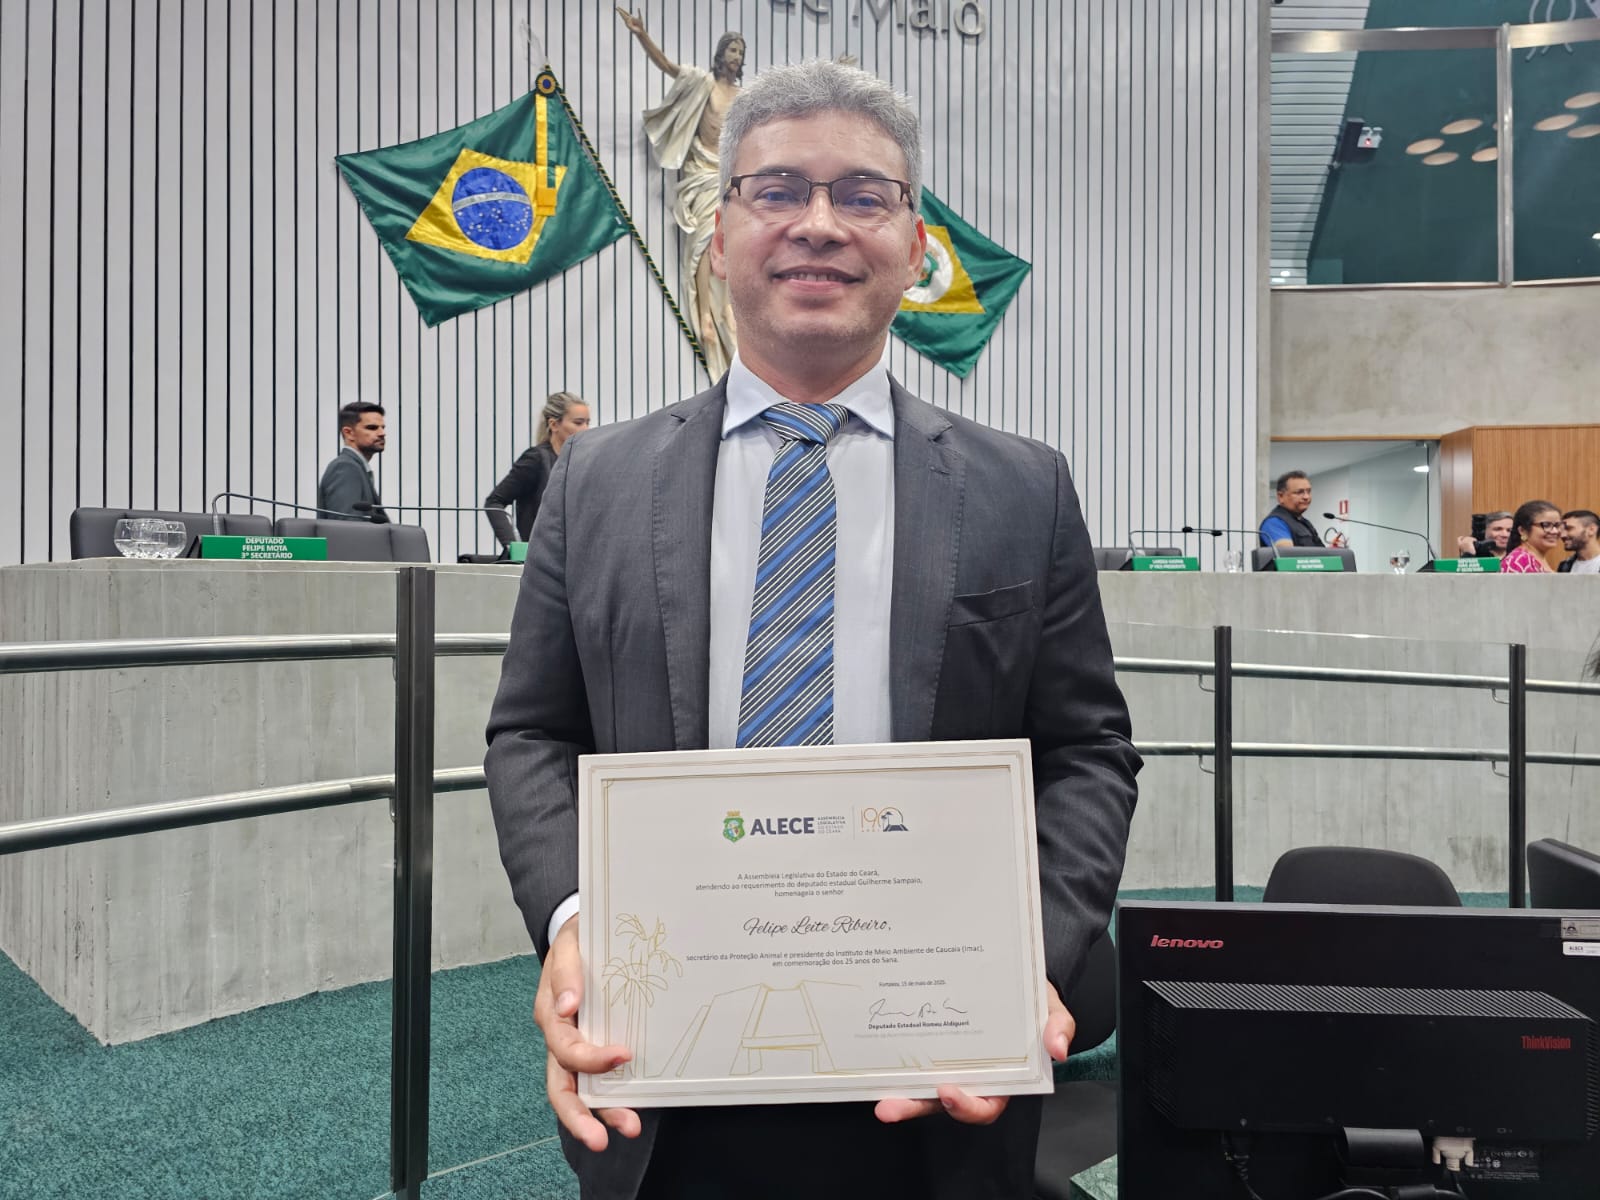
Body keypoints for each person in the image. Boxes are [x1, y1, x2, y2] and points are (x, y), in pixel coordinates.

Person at [483, 60, 1140, 1200]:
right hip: (664, 1073)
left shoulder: (1022, 488)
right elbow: (533, 735)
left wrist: (1019, 951)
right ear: (720, 233)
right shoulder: (595, 482)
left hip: (938, 1077)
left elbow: (1087, 751)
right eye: (778, 190)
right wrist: (579, 921)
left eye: (863, 195)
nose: (819, 225)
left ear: (916, 242)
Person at [617, 8, 743, 379]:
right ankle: (704, 314)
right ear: (720, 54)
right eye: (732, 50)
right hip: (700, 173)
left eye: (740, 51)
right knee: (703, 242)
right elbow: (667, 66)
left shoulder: (744, 97)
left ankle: (728, 309)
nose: (736, 57)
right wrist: (641, 34)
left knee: (728, 243)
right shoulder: (702, 83)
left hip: (727, 178)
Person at [483, 392, 590, 549]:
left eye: (588, 422)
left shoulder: (581, 461)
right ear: (554, 425)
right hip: (542, 555)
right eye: (578, 423)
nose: (586, 429)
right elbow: (494, 502)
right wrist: (513, 547)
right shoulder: (536, 459)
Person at [317, 402, 388, 521]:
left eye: (383, 427)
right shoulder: (345, 468)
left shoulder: (356, 467)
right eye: (372, 428)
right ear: (349, 433)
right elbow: (347, 526)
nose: (382, 433)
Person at [1259, 471, 1326, 549]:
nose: (1306, 497)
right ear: (1281, 496)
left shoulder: (1305, 522)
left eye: (1308, 491)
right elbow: (1286, 553)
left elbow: (1320, 552)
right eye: (1299, 492)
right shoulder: (1274, 522)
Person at [1499, 500, 1563, 573]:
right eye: (1546, 525)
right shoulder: (1519, 560)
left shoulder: (1537, 557)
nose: (1555, 531)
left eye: (1557, 525)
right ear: (1523, 530)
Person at [1557, 509, 1600, 574]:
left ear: (1591, 530)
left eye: (1569, 528)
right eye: (1562, 530)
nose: (1562, 535)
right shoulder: (1564, 566)